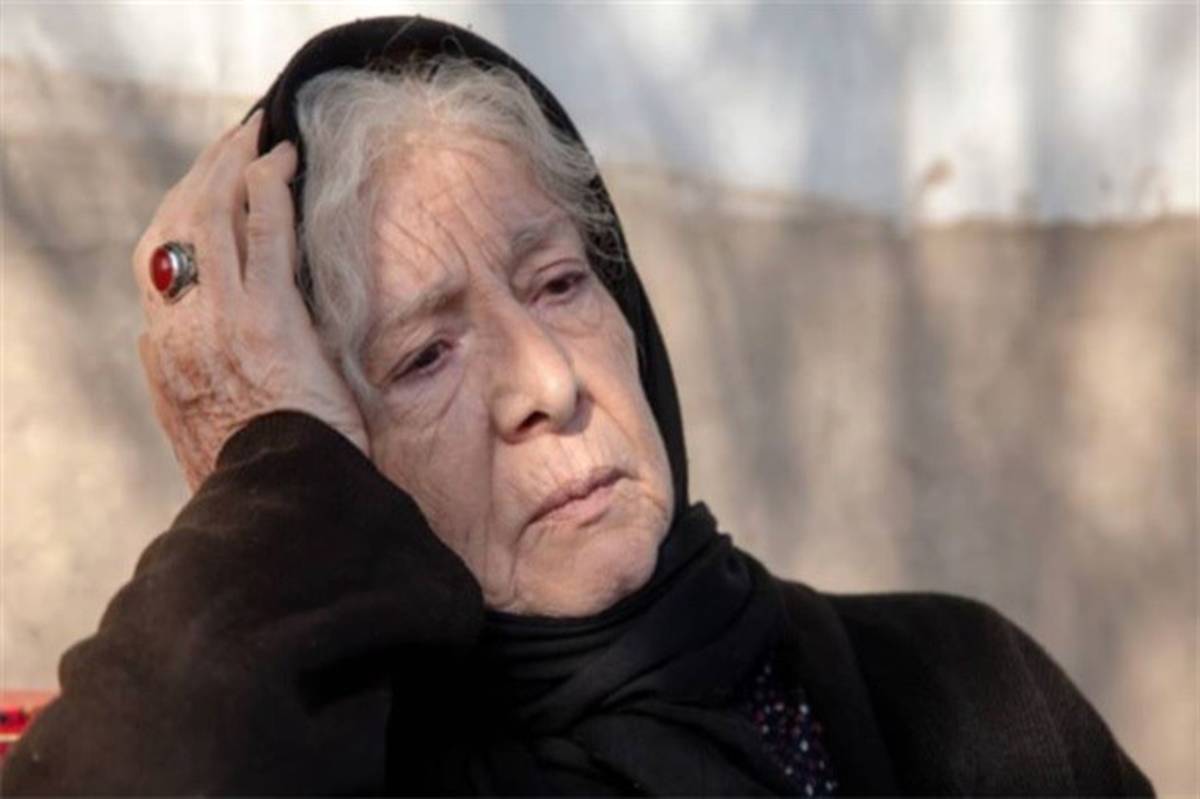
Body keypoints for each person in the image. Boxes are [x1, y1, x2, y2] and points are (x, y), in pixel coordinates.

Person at [2, 17, 1152, 796]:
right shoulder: (361, 767)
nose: (549, 385)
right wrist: (270, 471)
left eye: (559, 283)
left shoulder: (958, 688)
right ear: (340, 448)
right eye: (424, 355)